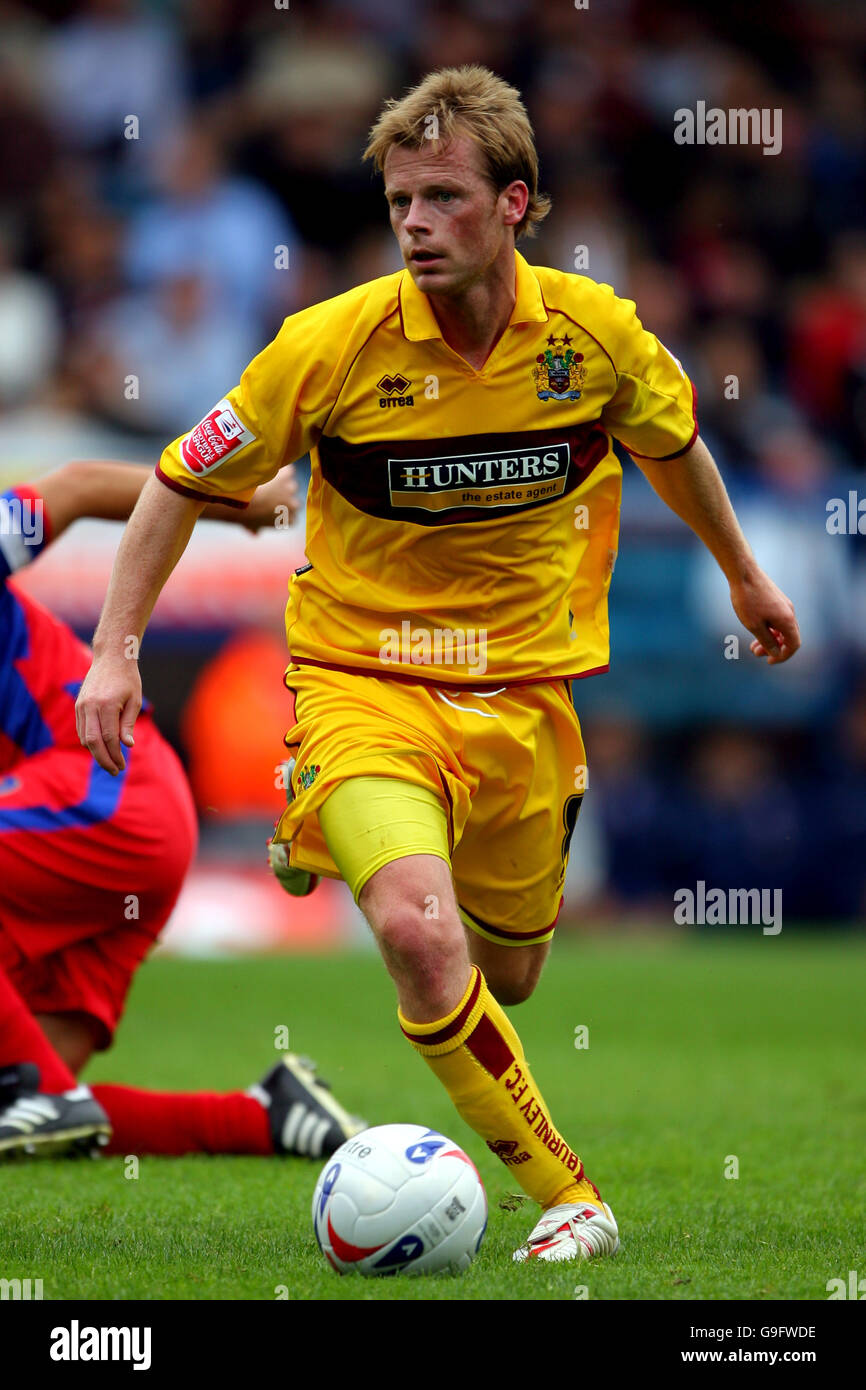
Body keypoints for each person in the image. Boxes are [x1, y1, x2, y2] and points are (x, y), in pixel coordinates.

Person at [76, 66, 800, 1265]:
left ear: (516, 203)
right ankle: (570, 1196)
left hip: (523, 698)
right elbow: (172, 481)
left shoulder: (593, 334)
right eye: (399, 200)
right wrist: (115, 650)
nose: (412, 224)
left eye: (442, 198)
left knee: (505, 979)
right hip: (364, 683)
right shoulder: (326, 348)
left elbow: (672, 444)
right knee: (418, 935)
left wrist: (740, 572)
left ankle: (424, 899)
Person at [0, 460, 362, 1160]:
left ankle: (41, 1092)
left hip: (103, 789)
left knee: (33, 1091)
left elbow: (75, 488)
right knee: (23, 1096)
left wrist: (242, 501)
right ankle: (267, 1118)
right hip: (111, 831)